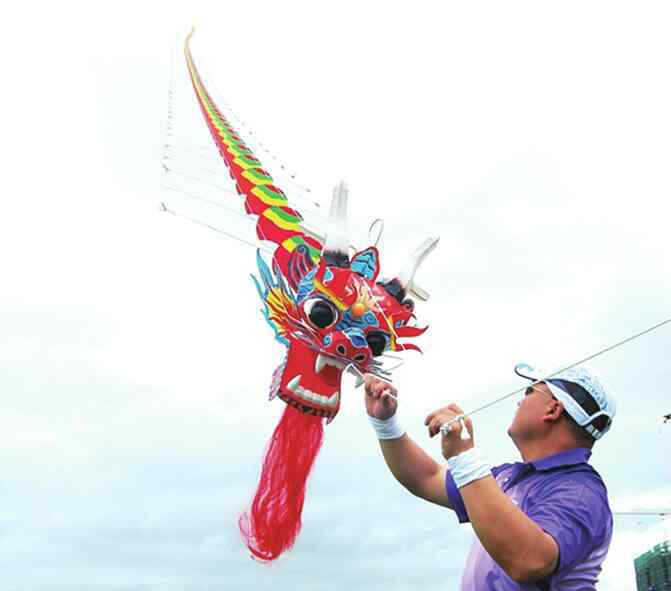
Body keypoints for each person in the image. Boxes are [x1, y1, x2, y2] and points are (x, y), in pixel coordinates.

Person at [364, 363, 616, 590]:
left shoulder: (581, 491)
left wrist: (465, 457)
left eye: (530, 390)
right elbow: (427, 478)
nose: (520, 401)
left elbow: (530, 560)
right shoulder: (510, 476)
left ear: (553, 409)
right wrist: (386, 423)